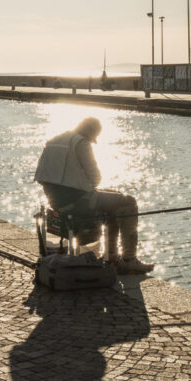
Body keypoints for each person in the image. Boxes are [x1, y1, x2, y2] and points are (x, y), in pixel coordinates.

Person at [34, 117, 154, 274]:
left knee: (115, 198)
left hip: (57, 203)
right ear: (91, 132)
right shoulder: (81, 142)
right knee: (129, 202)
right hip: (80, 204)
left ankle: (113, 258)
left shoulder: (54, 141)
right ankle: (129, 259)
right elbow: (96, 179)